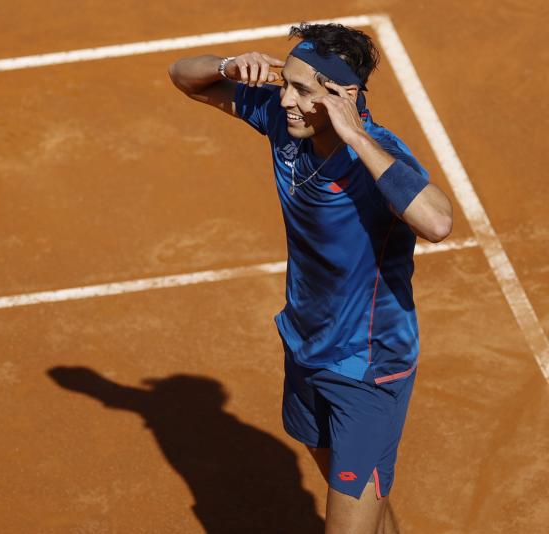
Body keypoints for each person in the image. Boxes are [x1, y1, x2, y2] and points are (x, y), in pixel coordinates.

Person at [168, 22, 453, 534]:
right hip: (305, 346)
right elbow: (184, 77)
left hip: (367, 368)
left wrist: (356, 135)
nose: (285, 102)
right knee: (365, 503)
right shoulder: (289, 125)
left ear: (343, 97)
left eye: (301, 90)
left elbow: (437, 222)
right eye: (285, 84)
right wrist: (229, 65)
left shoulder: (377, 155)